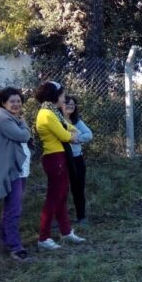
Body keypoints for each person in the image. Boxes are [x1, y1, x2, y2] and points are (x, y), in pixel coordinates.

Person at [34, 81, 86, 250]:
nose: (64, 98)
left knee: (62, 195)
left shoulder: (53, 112)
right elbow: (65, 135)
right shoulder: (46, 114)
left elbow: (69, 127)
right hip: (54, 158)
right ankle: (43, 237)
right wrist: (72, 135)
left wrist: (72, 133)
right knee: (53, 197)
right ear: (54, 95)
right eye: (62, 94)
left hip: (60, 156)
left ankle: (66, 231)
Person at [0, 87, 33, 262]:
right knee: (14, 209)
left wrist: (22, 123)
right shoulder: (2, 118)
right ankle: (15, 247)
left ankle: (6, 242)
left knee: (11, 208)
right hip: (11, 170)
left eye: (19, 101)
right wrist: (25, 124)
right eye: (12, 101)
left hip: (20, 169)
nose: (16, 104)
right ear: (3, 102)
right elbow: (22, 136)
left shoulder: (13, 117)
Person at [63, 95, 92, 223]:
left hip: (77, 159)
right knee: (61, 190)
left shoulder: (77, 121)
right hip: (62, 159)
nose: (70, 106)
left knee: (78, 188)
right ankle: (60, 218)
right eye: (67, 104)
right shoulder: (57, 121)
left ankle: (81, 216)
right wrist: (71, 136)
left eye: (73, 105)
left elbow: (89, 135)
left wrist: (76, 138)